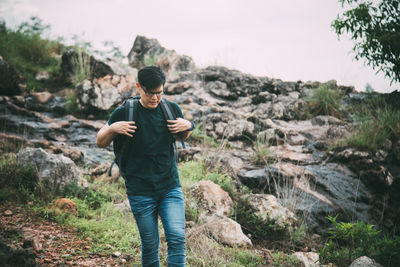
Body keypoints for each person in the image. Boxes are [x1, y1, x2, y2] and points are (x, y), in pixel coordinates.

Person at [96, 66, 192, 267]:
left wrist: (188, 126)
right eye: (150, 93)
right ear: (139, 87)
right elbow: (100, 141)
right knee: (150, 245)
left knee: (177, 238)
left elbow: (183, 134)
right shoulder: (125, 112)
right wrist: (114, 128)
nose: (155, 98)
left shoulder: (170, 109)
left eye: (160, 93)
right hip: (140, 191)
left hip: (169, 187)